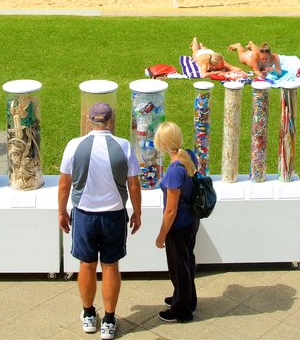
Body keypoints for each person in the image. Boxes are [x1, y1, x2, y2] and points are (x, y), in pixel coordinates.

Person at [58, 102, 141, 340]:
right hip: (114, 216)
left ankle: (88, 314)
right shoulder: (123, 146)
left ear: (89, 120)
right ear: (111, 121)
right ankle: (109, 320)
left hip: (84, 215)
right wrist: (137, 211)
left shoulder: (74, 145)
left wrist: (62, 211)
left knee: (86, 265)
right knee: (111, 266)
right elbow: (133, 184)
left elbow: (65, 183)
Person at [153, 121, 199, 324]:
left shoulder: (173, 171)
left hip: (178, 225)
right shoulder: (189, 156)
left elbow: (170, 210)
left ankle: (181, 310)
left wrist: (161, 235)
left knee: (178, 266)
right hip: (191, 221)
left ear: (162, 145)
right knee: (187, 261)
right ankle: (187, 298)